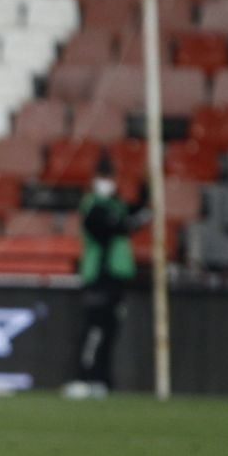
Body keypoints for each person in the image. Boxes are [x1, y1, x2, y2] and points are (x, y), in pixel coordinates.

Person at [65, 153, 148, 399]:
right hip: (98, 276)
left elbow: (136, 209)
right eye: (103, 177)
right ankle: (83, 377)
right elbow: (111, 228)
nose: (106, 182)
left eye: (109, 177)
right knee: (94, 330)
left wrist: (146, 183)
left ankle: (101, 379)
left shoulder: (116, 205)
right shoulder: (92, 207)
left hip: (116, 278)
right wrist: (133, 221)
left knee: (109, 332)